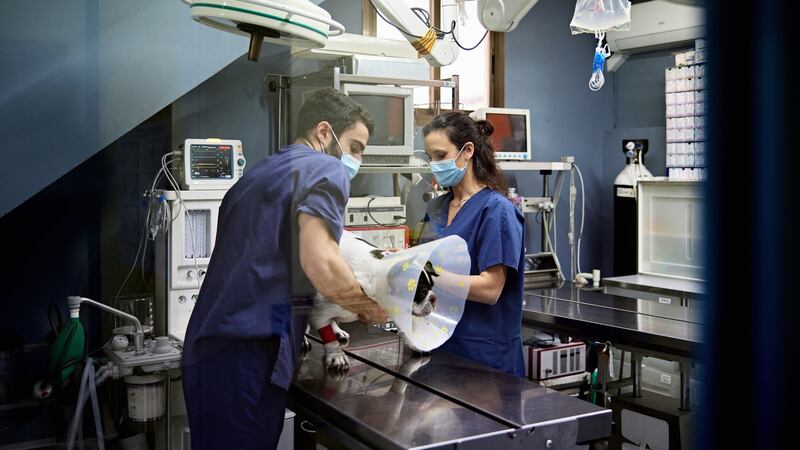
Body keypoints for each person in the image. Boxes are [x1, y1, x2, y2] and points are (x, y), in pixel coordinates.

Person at [181, 88, 388, 450]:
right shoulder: (324, 168)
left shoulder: (260, 174)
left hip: (211, 351)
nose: (356, 161)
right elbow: (320, 260)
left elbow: (277, 266)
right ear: (324, 132)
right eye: (355, 147)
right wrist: (368, 307)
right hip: (247, 352)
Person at [419, 111, 526, 377]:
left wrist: (426, 276)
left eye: (441, 156)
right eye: (429, 157)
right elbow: (421, 261)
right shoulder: (436, 207)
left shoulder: (496, 210)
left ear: (467, 151)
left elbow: (490, 289)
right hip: (438, 346)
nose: (434, 165)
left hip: (484, 356)